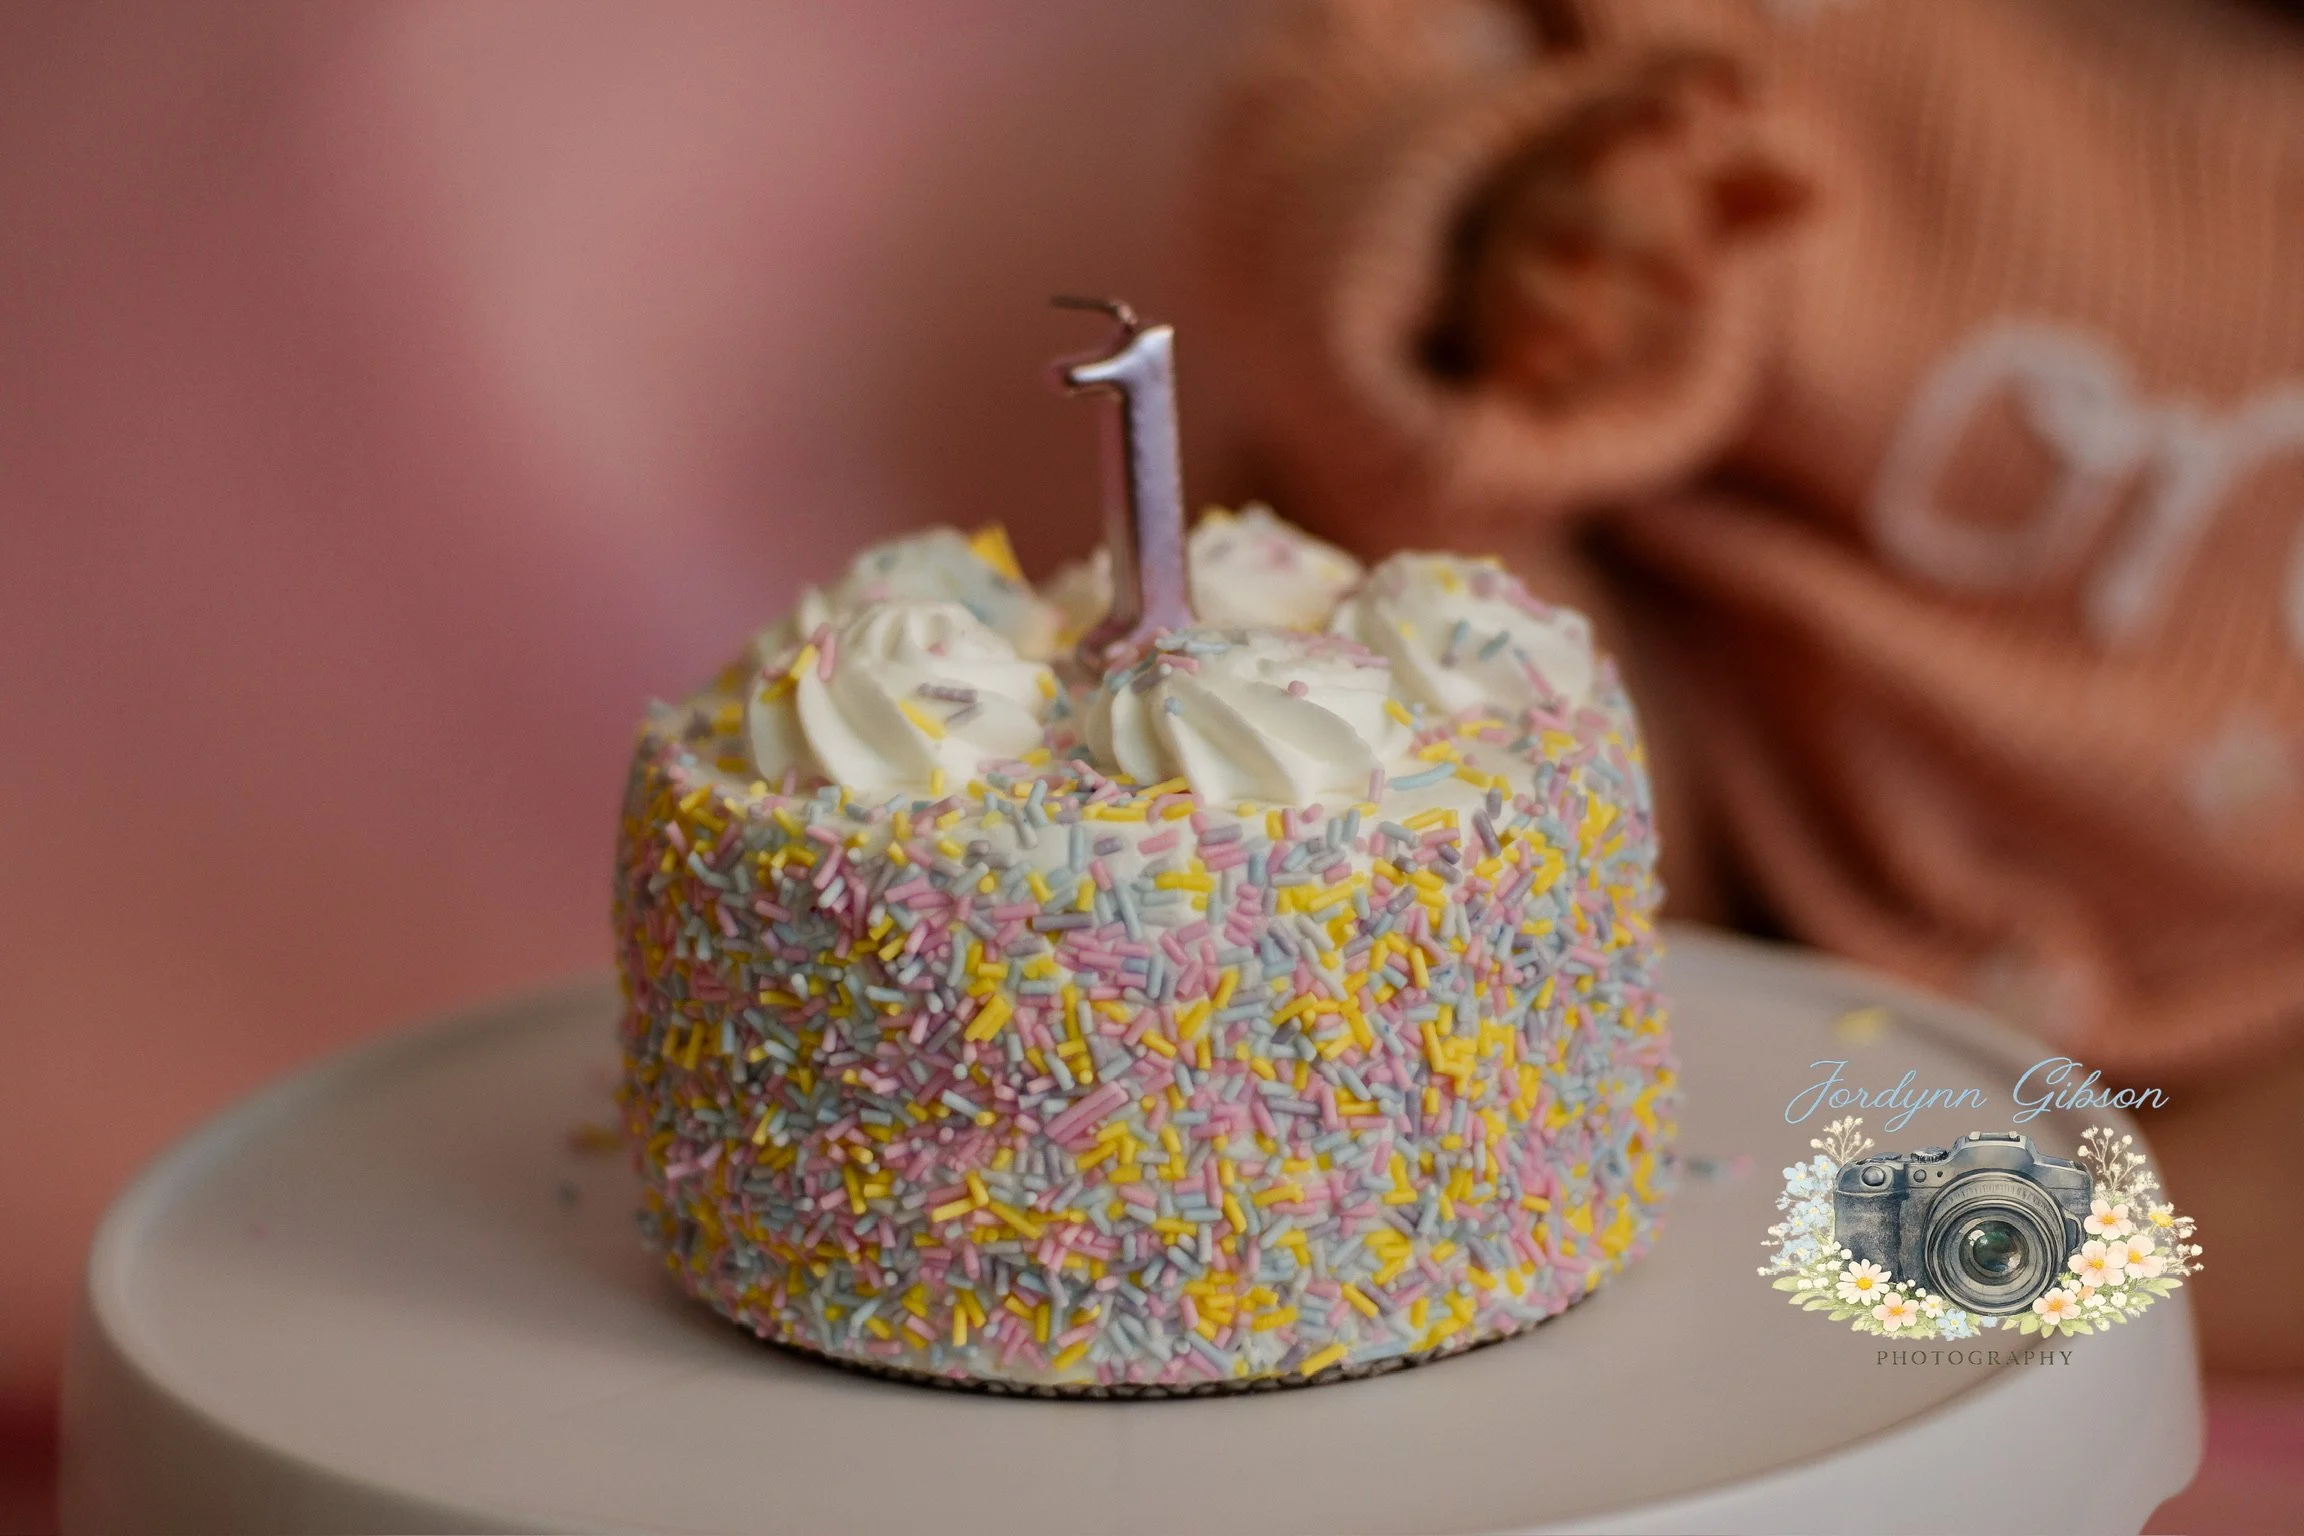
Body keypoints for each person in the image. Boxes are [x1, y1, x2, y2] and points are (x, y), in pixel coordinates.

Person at [1193, 0, 2304, 1370]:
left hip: (2259, 1009)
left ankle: (1923, 1256)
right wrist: (1492, 218)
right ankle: (1650, 1202)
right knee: (1377, 544)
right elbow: (1346, 97)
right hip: (1718, 891)